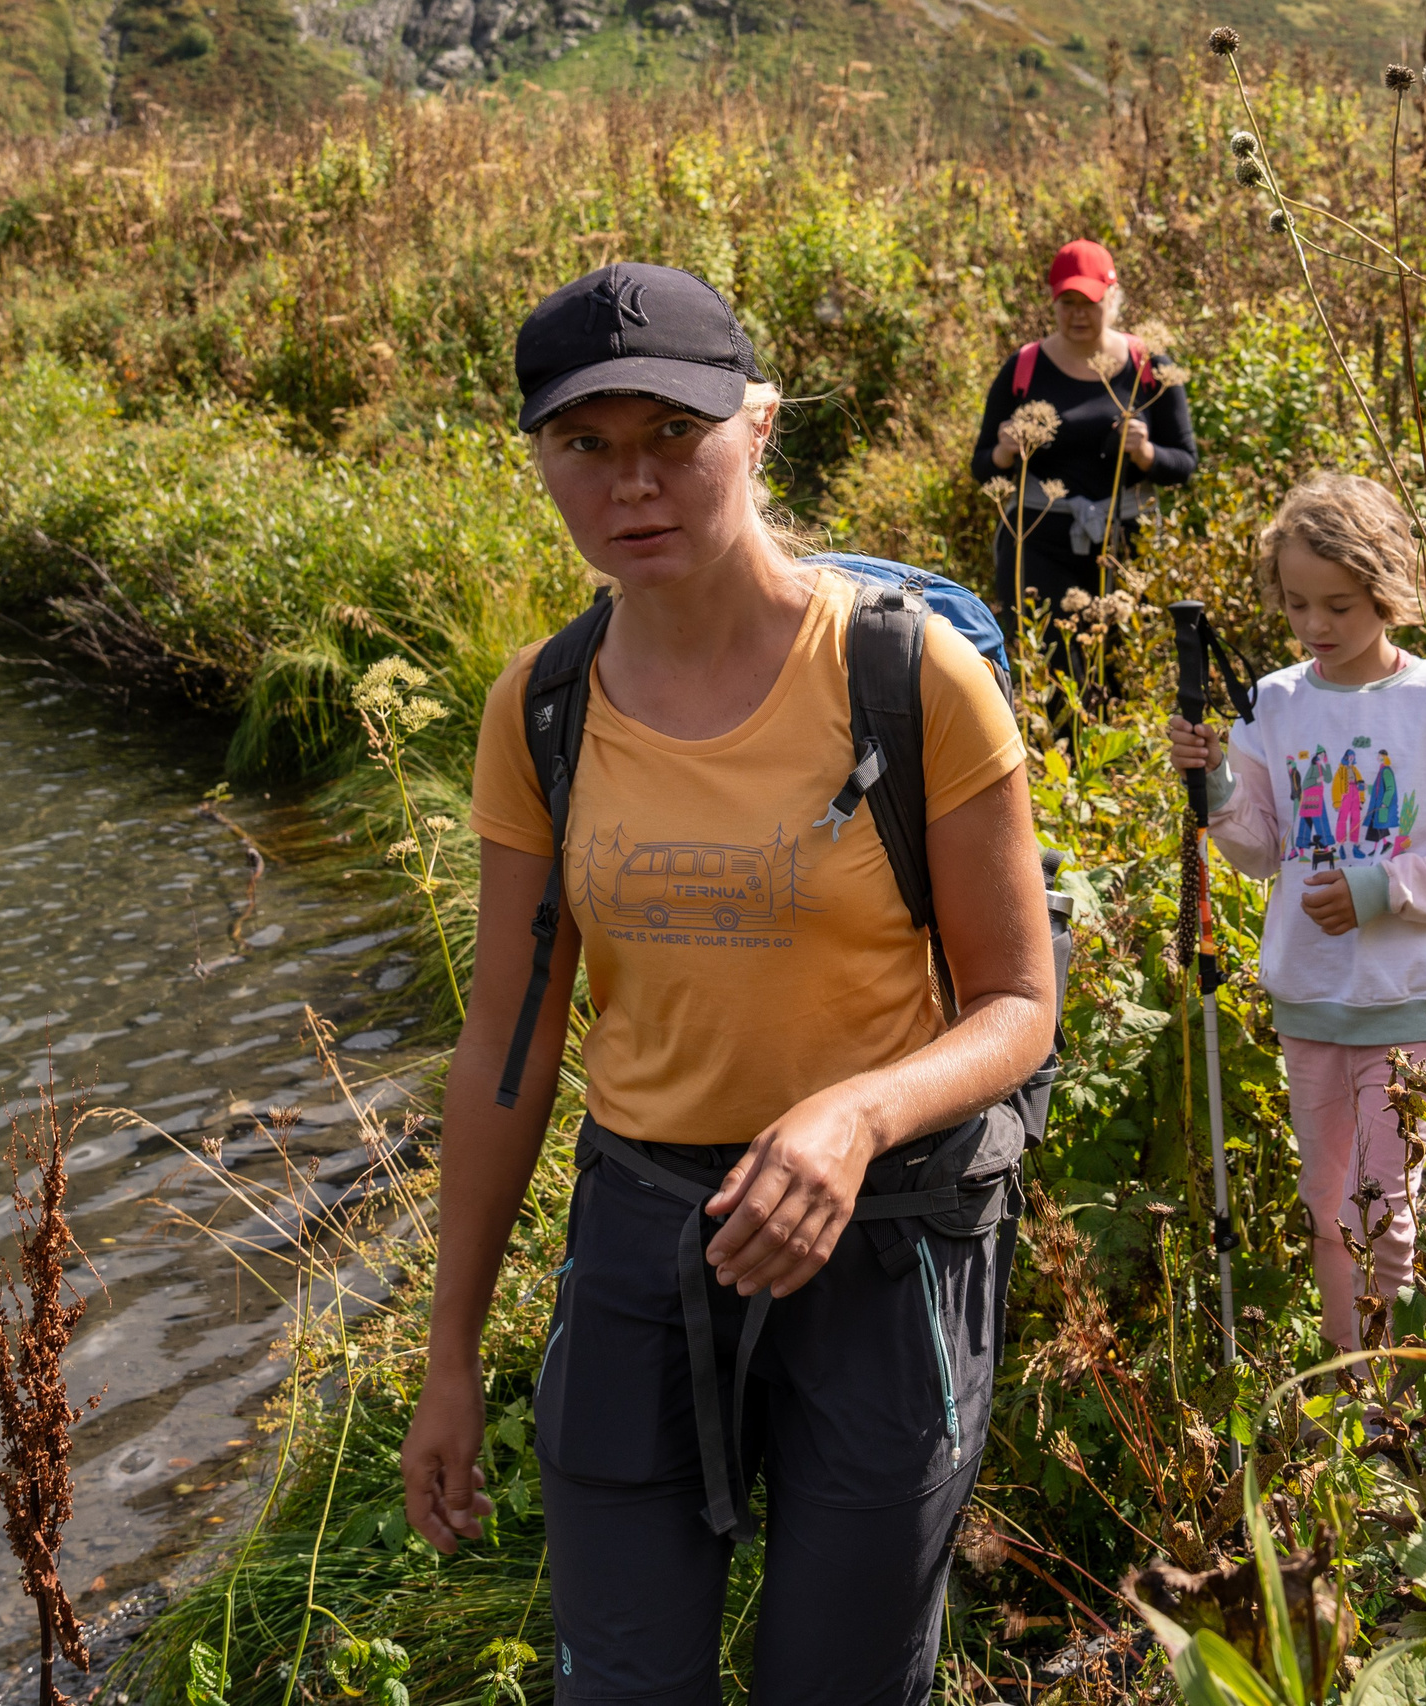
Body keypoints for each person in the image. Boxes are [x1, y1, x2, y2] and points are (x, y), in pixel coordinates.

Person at [399, 260, 1055, 1704]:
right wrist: (450, 1353)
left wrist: (852, 1118)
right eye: (586, 445)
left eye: (671, 437)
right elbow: (508, 1037)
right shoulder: (543, 707)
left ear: (757, 431)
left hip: (878, 1250)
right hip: (641, 1245)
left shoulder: (913, 674)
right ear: (543, 459)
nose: (632, 484)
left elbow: (1017, 1001)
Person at [1164, 473, 1426, 1363]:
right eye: (1296, 605)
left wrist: (1378, 891)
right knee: (1328, 1200)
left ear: (1387, 589)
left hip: (1409, 996)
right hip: (1311, 996)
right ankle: (1340, 1367)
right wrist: (1211, 783)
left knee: (1385, 1197)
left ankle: (1391, 1379)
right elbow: (1254, 847)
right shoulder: (1275, 703)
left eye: (1340, 606)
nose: (1316, 626)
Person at [969, 238, 1197, 678]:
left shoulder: (1147, 365)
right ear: (1053, 302)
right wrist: (1002, 452)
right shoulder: (1024, 367)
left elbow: (1186, 463)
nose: (1077, 314)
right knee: (1049, 668)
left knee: (1123, 667)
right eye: (1066, 302)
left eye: (1089, 302)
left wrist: (1147, 454)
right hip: (1036, 543)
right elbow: (981, 468)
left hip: (1126, 546)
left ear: (1112, 298)